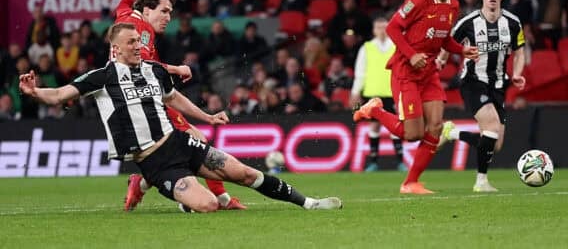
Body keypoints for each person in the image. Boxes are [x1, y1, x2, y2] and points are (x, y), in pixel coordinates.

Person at [18, 23, 342, 213]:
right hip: (156, 162)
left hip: (180, 142)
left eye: (138, 41)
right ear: (115, 49)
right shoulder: (101, 78)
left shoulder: (155, 71)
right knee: (208, 206)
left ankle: (310, 203)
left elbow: (175, 99)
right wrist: (35, 92)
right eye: (130, 42)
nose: (137, 46)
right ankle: (173, 192)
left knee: (244, 173)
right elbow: (60, 94)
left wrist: (208, 117)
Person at [115, 0, 245, 211]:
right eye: (164, 11)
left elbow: (123, 2)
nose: (168, 17)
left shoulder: (125, 18)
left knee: (180, 148)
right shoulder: (142, 31)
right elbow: (141, 64)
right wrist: (176, 68)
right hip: (142, 100)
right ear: (147, 10)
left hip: (133, 99)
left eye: (170, 12)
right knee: (196, 142)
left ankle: (140, 185)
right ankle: (219, 199)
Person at [353, 0, 479, 194]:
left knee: (435, 126)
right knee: (412, 135)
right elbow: (392, 27)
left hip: (429, 72)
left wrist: (461, 49)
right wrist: (411, 55)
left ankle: (410, 182)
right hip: (406, 71)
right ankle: (375, 110)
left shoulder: (453, 5)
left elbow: (443, 39)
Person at [436, 0, 526, 192]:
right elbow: (448, 44)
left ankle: (452, 133)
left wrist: (517, 73)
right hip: (473, 81)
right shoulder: (468, 22)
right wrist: (440, 60)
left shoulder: (513, 23)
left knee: (494, 144)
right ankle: (481, 182)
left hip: (498, 85)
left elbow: (520, 52)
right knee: (492, 127)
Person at [350, 17, 406, 172]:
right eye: (378, 27)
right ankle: (373, 161)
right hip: (372, 93)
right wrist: (355, 92)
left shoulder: (396, 45)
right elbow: (360, 72)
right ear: (374, 30)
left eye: (384, 27)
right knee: (374, 126)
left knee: (395, 126)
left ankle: (400, 162)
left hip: (392, 92)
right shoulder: (366, 48)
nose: (381, 30)